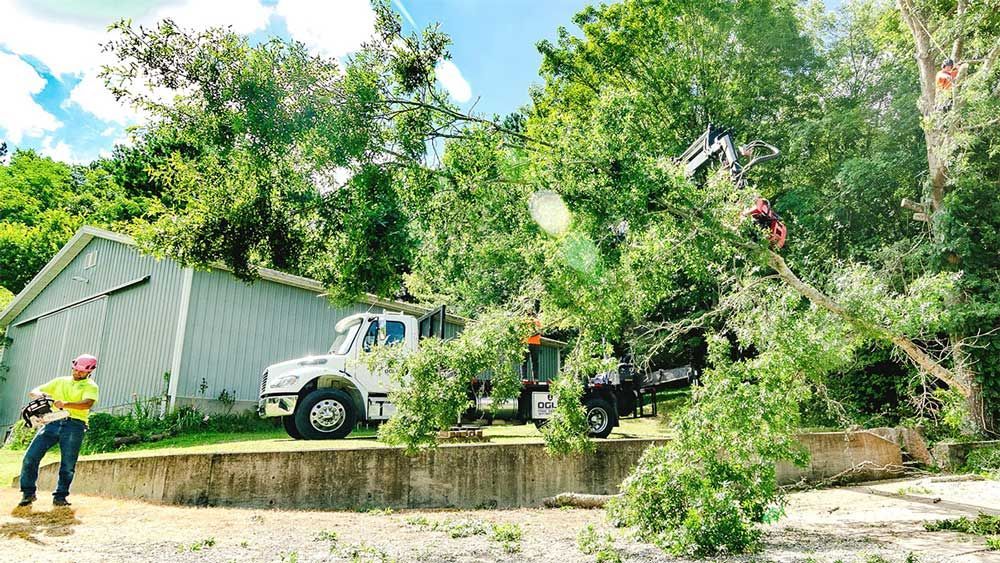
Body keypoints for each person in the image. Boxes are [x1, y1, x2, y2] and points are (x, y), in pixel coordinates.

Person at [18, 354, 100, 507]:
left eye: (82, 372)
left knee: (67, 465)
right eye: (75, 370)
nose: (77, 373)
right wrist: (40, 394)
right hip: (52, 422)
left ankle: (60, 496)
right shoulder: (60, 381)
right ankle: (28, 493)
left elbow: (87, 403)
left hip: (74, 425)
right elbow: (35, 390)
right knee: (30, 457)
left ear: (90, 371)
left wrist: (66, 404)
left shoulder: (91, 386)